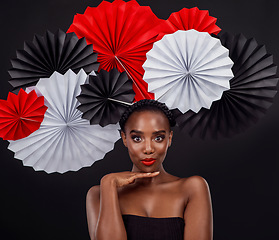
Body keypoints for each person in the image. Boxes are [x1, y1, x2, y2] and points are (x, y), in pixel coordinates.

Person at [86, 99, 213, 240]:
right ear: (124, 138)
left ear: (169, 138)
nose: (148, 149)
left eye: (158, 138)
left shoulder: (192, 188)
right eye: (137, 138)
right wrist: (108, 183)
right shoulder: (99, 194)